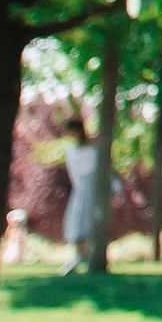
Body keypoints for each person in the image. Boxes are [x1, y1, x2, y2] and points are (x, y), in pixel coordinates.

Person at [55, 103, 100, 275]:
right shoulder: (72, 149)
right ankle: (80, 255)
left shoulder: (94, 145)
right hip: (81, 187)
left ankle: (87, 256)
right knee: (77, 221)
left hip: (91, 185)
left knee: (87, 221)